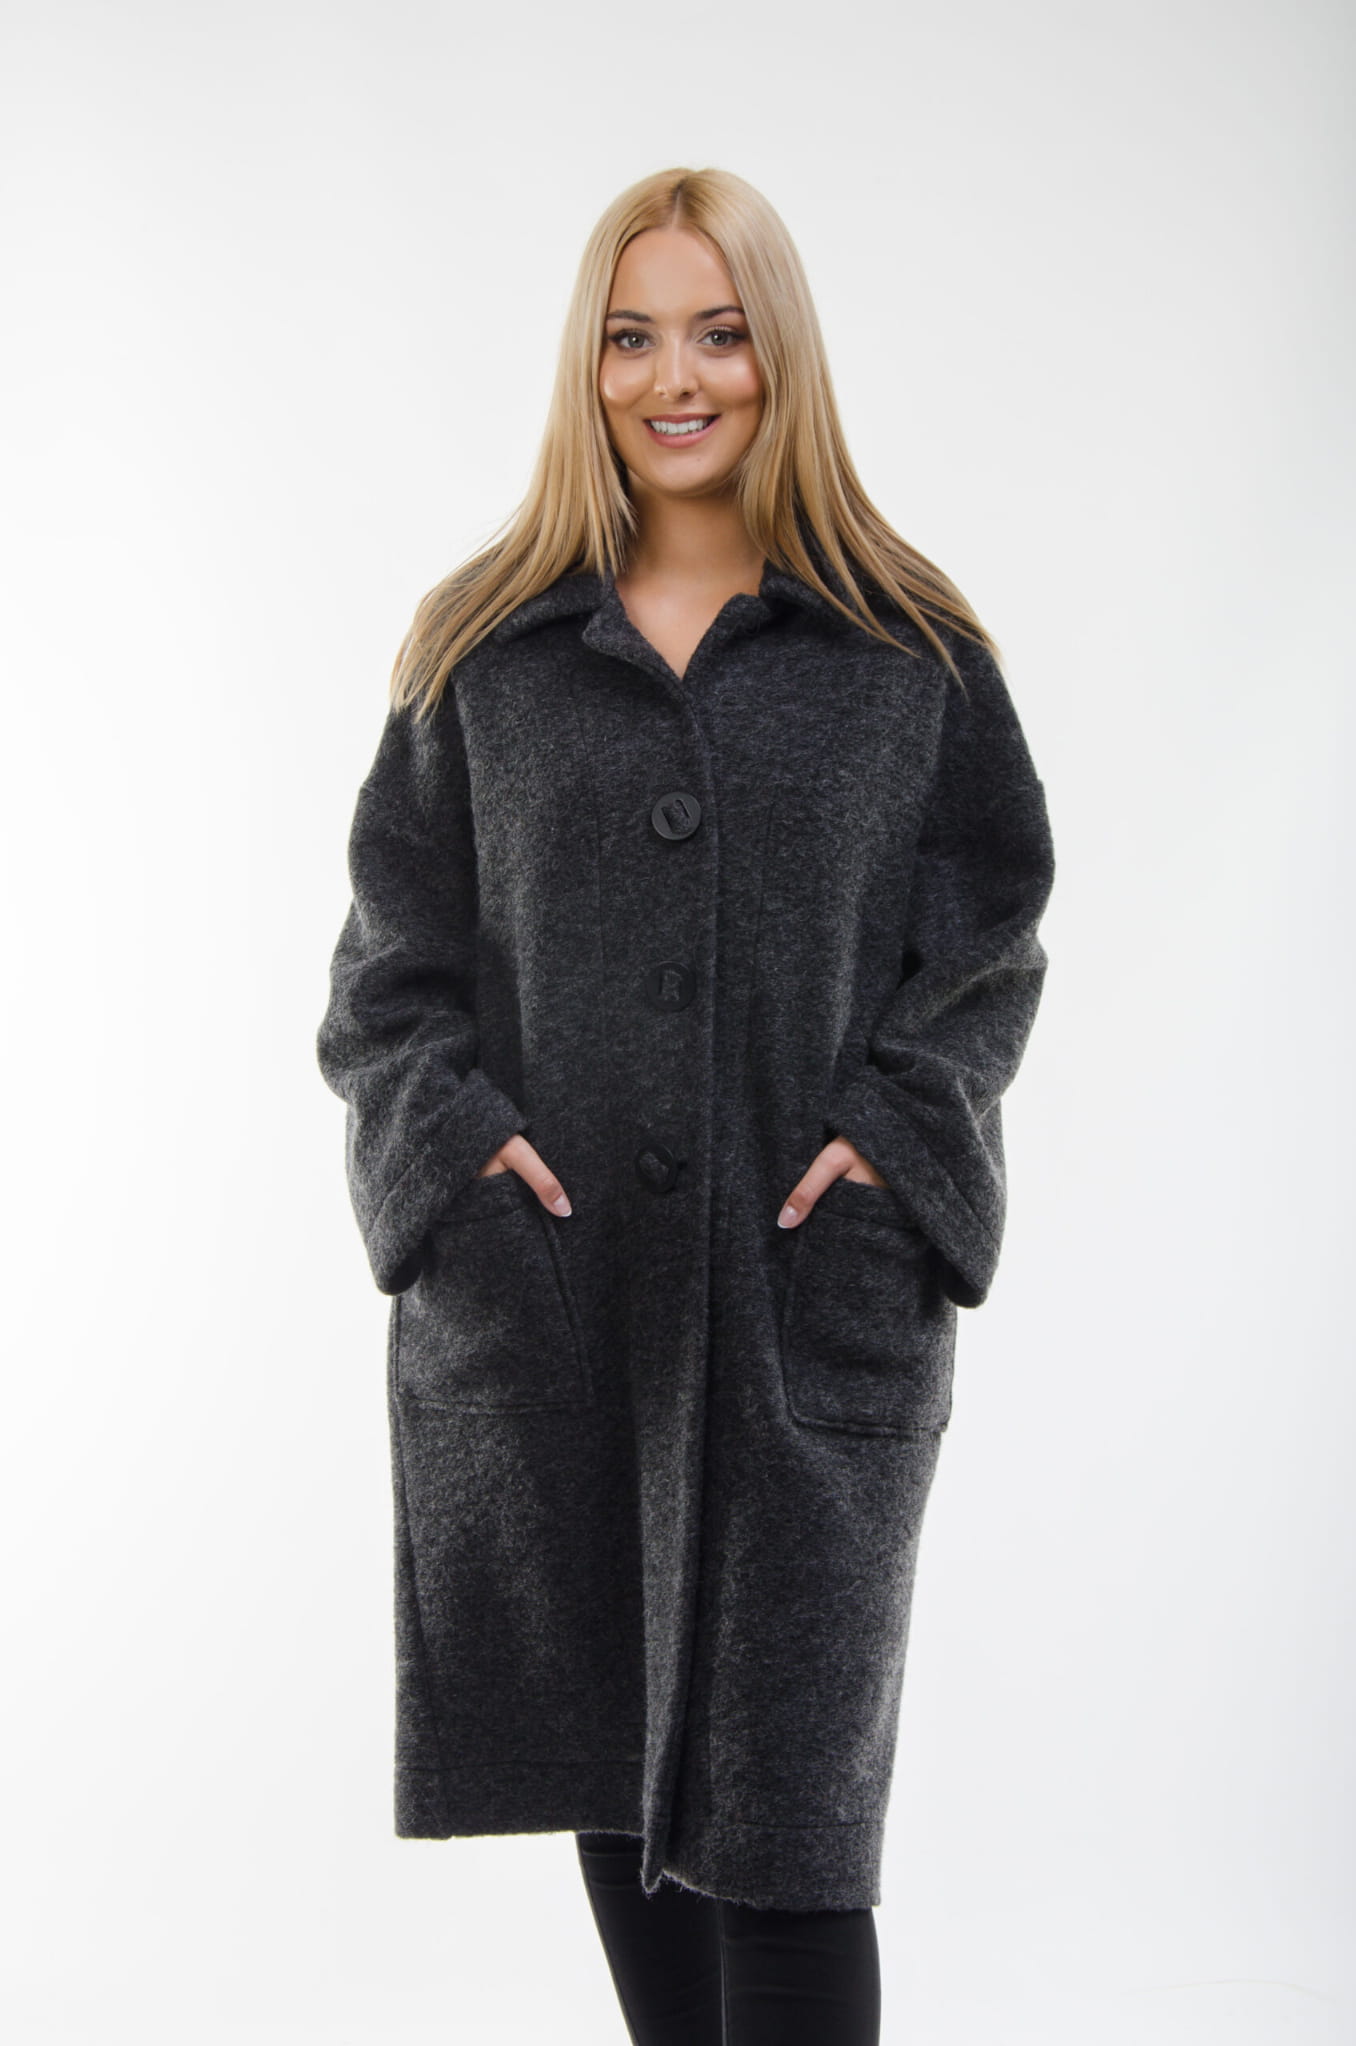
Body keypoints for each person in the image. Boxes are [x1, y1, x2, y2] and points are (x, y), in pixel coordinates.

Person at [316, 165, 1055, 2045]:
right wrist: (456, 1166)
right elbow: (389, 976)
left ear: (778, 352)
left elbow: (985, 943)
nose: (676, 380)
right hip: (559, 1309)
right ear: (588, 365)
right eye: (632, 337)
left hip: (809, 1317)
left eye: (719, 334)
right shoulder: (485, 653)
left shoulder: (905, 652)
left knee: (794, 1838)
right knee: (620, 1784)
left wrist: (895, 1152)